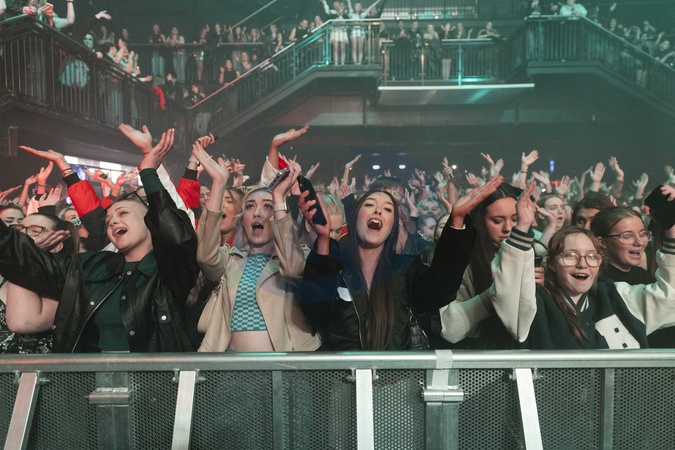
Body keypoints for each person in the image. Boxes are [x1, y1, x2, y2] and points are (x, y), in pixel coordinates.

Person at [0, 128, 199, 353]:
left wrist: (149, 171)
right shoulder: (90, 266)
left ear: (150, 222)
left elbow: (178, 236)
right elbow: (17, 253)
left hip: (153, 375)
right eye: (109, 219)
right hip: (96, 373)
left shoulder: (169, 269)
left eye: (123, 213)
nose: (112, 221)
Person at [299, 176, 503, 350]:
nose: (378, 211)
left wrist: (457, 220)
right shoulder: (334, 263)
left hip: (395, 378)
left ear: (392, 227)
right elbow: (315, 309)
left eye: (387, 209)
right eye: (369, 205)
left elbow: (441, 288)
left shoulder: (405, 268)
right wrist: (323, 238)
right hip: (341, 376)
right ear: (353, 219)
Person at [490, 183, 675, 349]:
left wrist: (672, 230)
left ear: (600, 261)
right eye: (570, 256)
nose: (582, 264)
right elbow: (506, 293)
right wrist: (522, 226)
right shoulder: (536, 303)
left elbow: (668, 298)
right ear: (552, 263)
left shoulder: (615, 295)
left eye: (592, 256)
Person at [194, 146, 320, 352]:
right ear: (242, 219)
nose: (257, 213)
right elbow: (205, 257)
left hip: (283, 366)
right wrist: (219, 183)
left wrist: (278, 197)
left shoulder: (299, 255)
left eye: (267, 206)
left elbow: (292, 270)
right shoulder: (231, 259)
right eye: (250, 206)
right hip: (231, 363)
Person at [2, 212, 78, 353]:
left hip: (34, 365)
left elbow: (23, 322)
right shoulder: (5, 276)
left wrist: (26, 256)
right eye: (20, 229)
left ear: (56, 245)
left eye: (34, 231)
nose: (22, 235)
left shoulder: (65, 285)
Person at [591, 207, 654, 285]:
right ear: (602, 243)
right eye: (627, 236)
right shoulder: (597, 282)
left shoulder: (642, 275)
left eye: (642, 234)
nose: (639, 242)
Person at [346, 0, 382, 65]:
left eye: (359, 6)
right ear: (354, 6)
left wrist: (377, 2)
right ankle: (355, 62)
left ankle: (359, 62)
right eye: (357, 5)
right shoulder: (351, 13)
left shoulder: (362, 14)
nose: (358, 7)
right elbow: (349, 4)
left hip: (361, 32)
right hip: (354, 32)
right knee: (354, 48)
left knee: (360, 48)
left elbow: (370, 7)